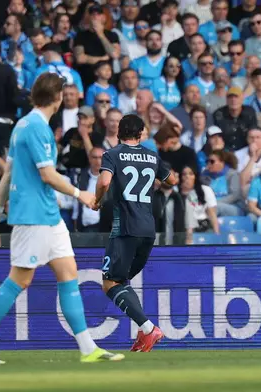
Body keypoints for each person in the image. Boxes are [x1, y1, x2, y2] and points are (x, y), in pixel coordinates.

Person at [0, 73, 123, 364]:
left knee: (69, 273)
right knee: (20, 278)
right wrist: (79, 193)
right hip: (35, 216)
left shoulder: (22, 125)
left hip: (48, 215)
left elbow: (8, 172)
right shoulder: (37, 129)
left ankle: (87, 349)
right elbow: (46, 174)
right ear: (57, 98)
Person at [92, 114, 177, 352]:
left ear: (119, 132)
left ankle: (149, 328)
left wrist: (97, 201)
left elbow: (104, 182)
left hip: (125, 228)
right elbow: (172, 180)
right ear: (141, 133)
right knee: (122, 281)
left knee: (110, 283)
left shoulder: (112, 154)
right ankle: (143, 333)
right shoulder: (152, 156)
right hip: (148, 229)